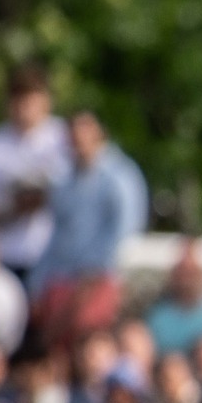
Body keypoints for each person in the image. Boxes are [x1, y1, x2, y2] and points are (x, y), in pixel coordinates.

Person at [31, 110, 147, 350]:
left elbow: (124, 233)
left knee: (88, 342)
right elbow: (56, 236)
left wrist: (92, 277)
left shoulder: (120, 177)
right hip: (62, 279)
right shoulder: (64, 182)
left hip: (99, 281)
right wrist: (37, 283)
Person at [0, 64, 71, 284]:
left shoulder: (63, 139)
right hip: (7, 255)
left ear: (45, 100)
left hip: (55, 255)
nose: (24, 107)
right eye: (18, 100)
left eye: (30, 99)